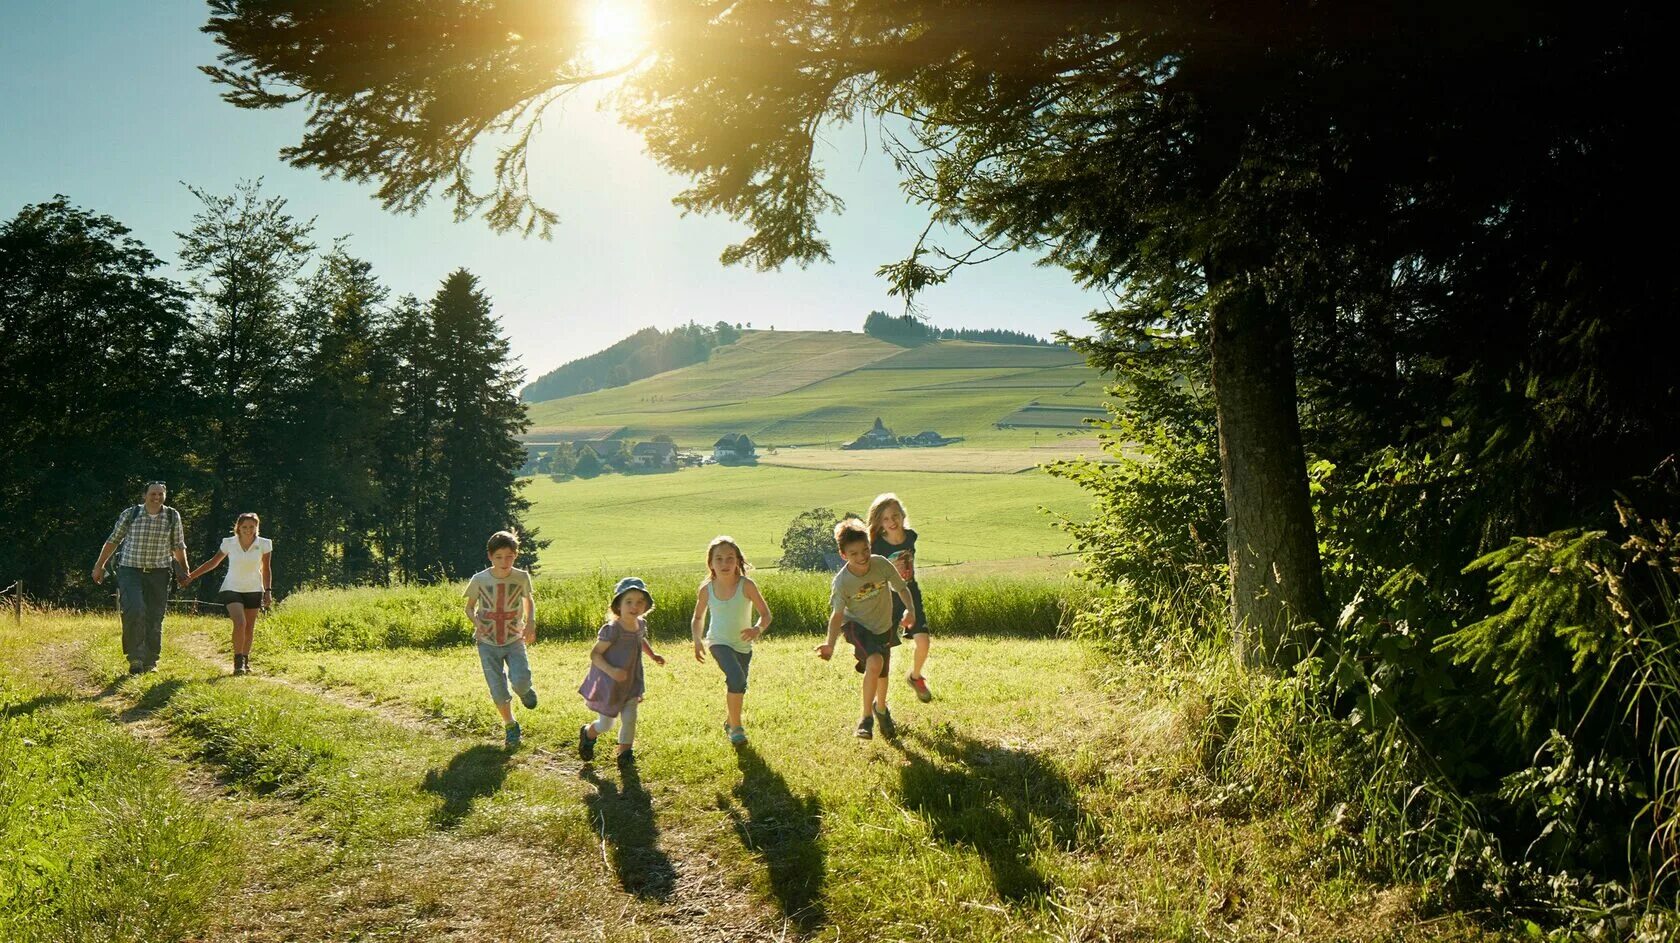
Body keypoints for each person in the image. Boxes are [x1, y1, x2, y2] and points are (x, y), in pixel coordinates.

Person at [815, 519, 917, 740]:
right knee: (875, 662)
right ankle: (865, 718)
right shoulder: (842, 582)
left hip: (883, 627)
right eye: (854, 554)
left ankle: (880, 709)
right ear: (843, 555)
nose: (862, 557)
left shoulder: (881, 564)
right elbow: (837, 615)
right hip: (856, 626)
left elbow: (901, 588)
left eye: (865, 550)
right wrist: (829, 644)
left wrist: (910, 610)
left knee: (882, 673)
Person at [91, 481, 189, 674]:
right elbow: (113, 540)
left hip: (160, 572)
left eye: (160, 494)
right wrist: (99, 566)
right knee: (134, 610)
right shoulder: (131, 514)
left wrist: (184, 570)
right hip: (130, 570)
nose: (157, 497)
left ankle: (151, 661)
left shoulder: (172, 516)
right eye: (153, 494)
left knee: (155, 615)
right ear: (144, 495)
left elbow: (178, 545)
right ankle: (135, 658)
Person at [689, 537, 772, 745]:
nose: (724, 564)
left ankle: (730, 720)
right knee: (736, 678)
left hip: (743, 646)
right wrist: (697, 640)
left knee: (740, 684)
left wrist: (757, 629)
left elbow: (766, 615)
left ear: (737, 561)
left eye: (729, 558)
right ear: (711, 563)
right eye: (719, 559)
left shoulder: (747, 585)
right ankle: (737, 729)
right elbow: (698, 617)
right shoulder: (706, 589)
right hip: (718, 642)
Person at [463, 530, 539, 749]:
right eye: (499, 557)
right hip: (486, 642)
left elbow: (528, 600)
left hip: (514, 638)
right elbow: (469, 608)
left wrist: (530, 622)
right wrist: (477, 623)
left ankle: (525, 691)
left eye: (509, 556)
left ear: (515, 555)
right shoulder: (479, 580)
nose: (504, 562)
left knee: (521, 678)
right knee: (497, 688)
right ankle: (510, 725)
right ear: (490, 557)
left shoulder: (521, 577)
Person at [578, 577, 666, 765]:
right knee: (606, 724)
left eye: (640, 602)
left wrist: (653, 655)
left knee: (630, 718)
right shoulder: (613, 630)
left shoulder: (640, 624)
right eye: (629, 601)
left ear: (646, 606)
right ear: (618, 605)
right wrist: (612, 671)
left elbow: (640, 640)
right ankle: (588, 733)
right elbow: (595, 655)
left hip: (631, 681)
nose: (635, 606)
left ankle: (624, 753)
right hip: (611, 683)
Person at [183, 512, 273, 676]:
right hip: (231, 587)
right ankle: (238, 662)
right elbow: (213, 562)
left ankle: (245, 659)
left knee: (249, 627)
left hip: (254, 588)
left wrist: (268, 591)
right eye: (244, 527)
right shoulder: (229, 543)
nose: (248, 530)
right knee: (240, 623)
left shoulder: (264, 544)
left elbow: (266, 569)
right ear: (238, 527)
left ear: (256, 527)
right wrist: (192, 577)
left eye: (252, 527)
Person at [868, 493, 933, 702]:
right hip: (886, 600)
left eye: (895, 516)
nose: (892, 522)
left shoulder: (911, 536)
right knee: (884, 650)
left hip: (911, 595)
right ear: (879, 522)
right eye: (886, 519)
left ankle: (915, 677)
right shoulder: (877, 546)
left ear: (903, 515)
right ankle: (880, 700)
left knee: (923, 641)